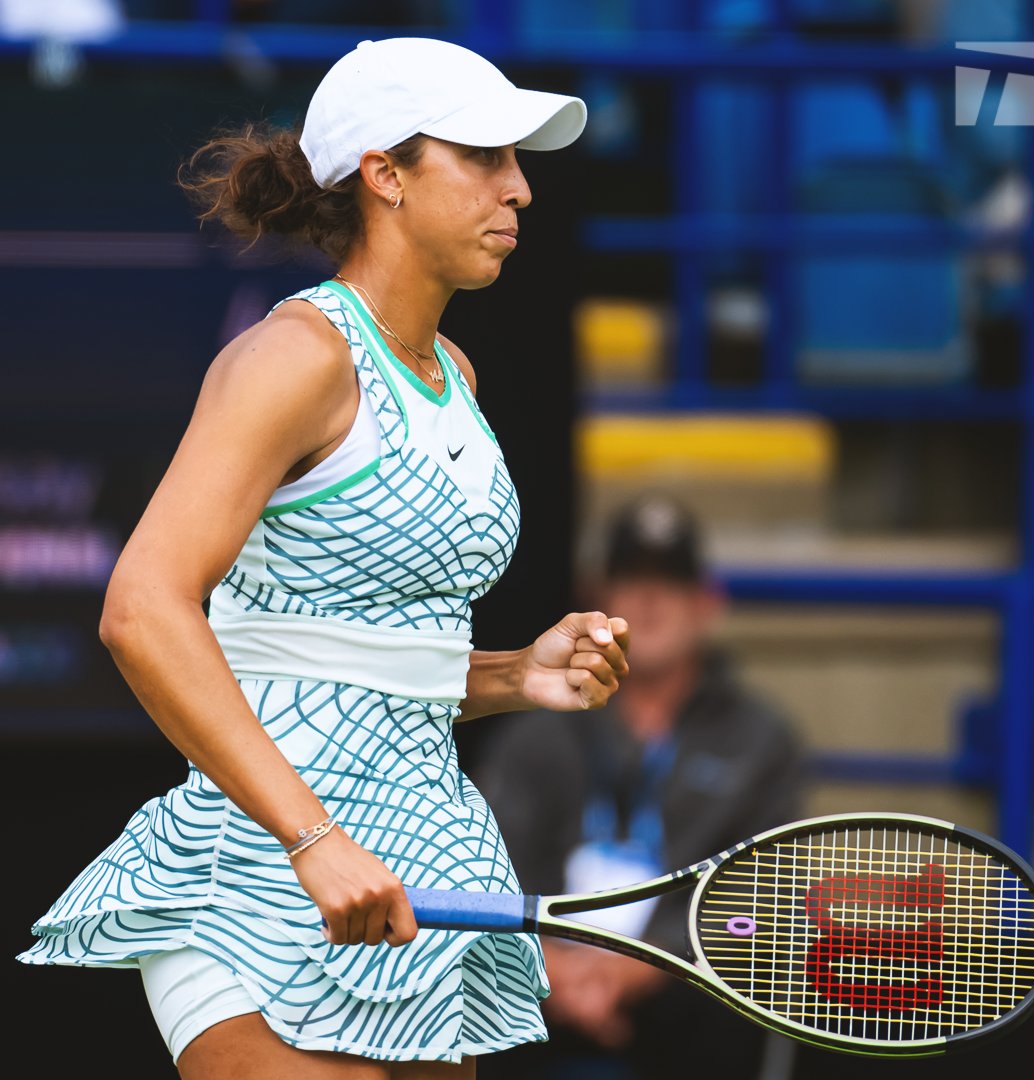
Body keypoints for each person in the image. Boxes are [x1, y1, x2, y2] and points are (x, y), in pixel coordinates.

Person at [16, 36, 631, 1080]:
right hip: (267, 866)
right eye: (483, 156)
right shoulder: (294, 358)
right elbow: (142, 609)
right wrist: (313, 839)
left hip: (425, 861)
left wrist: (511, 674)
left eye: (518, 161)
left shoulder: (454, 373)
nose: (519, 188)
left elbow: (343, 659)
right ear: (386, 175)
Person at [473, 491, 806, 1080]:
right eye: (631, 579)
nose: (650, 599)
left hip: (683, 993)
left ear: (707, 604)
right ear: (596, 600)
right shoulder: (534, 734)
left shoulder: (761, 740)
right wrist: (554, 971)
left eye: (671, 581)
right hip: (539, 985)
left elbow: (761, 897)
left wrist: (635, 970)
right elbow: (489, 864)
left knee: (732, 1001)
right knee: (479, 987)